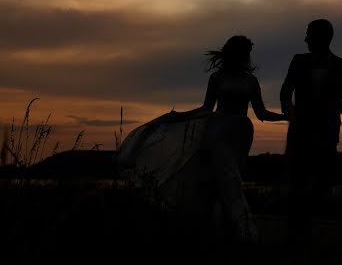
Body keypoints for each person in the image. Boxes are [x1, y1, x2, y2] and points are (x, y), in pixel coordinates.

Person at [118, 35, 284, 242]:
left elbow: (261, 113)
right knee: (228, 179)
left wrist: (288, 117)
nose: (246, 57)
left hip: (240, 132)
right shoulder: (217, 78)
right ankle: (245, 233)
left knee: (225, 179)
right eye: (243, 53)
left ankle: (218, 230)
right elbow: (207, 108)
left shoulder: (251, 81)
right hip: (217, 131)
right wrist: (178, 117)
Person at [280, 19, 342, 241]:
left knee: (324, 180)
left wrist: (340, 105)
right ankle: (295, 233)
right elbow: (286, 91)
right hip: (299, 129)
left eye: (309, 34)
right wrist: (288, 109)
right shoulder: (298, 61)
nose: (305, 39)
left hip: (326, 130)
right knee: (296, 180)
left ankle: (304, 218)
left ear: (323, 37)